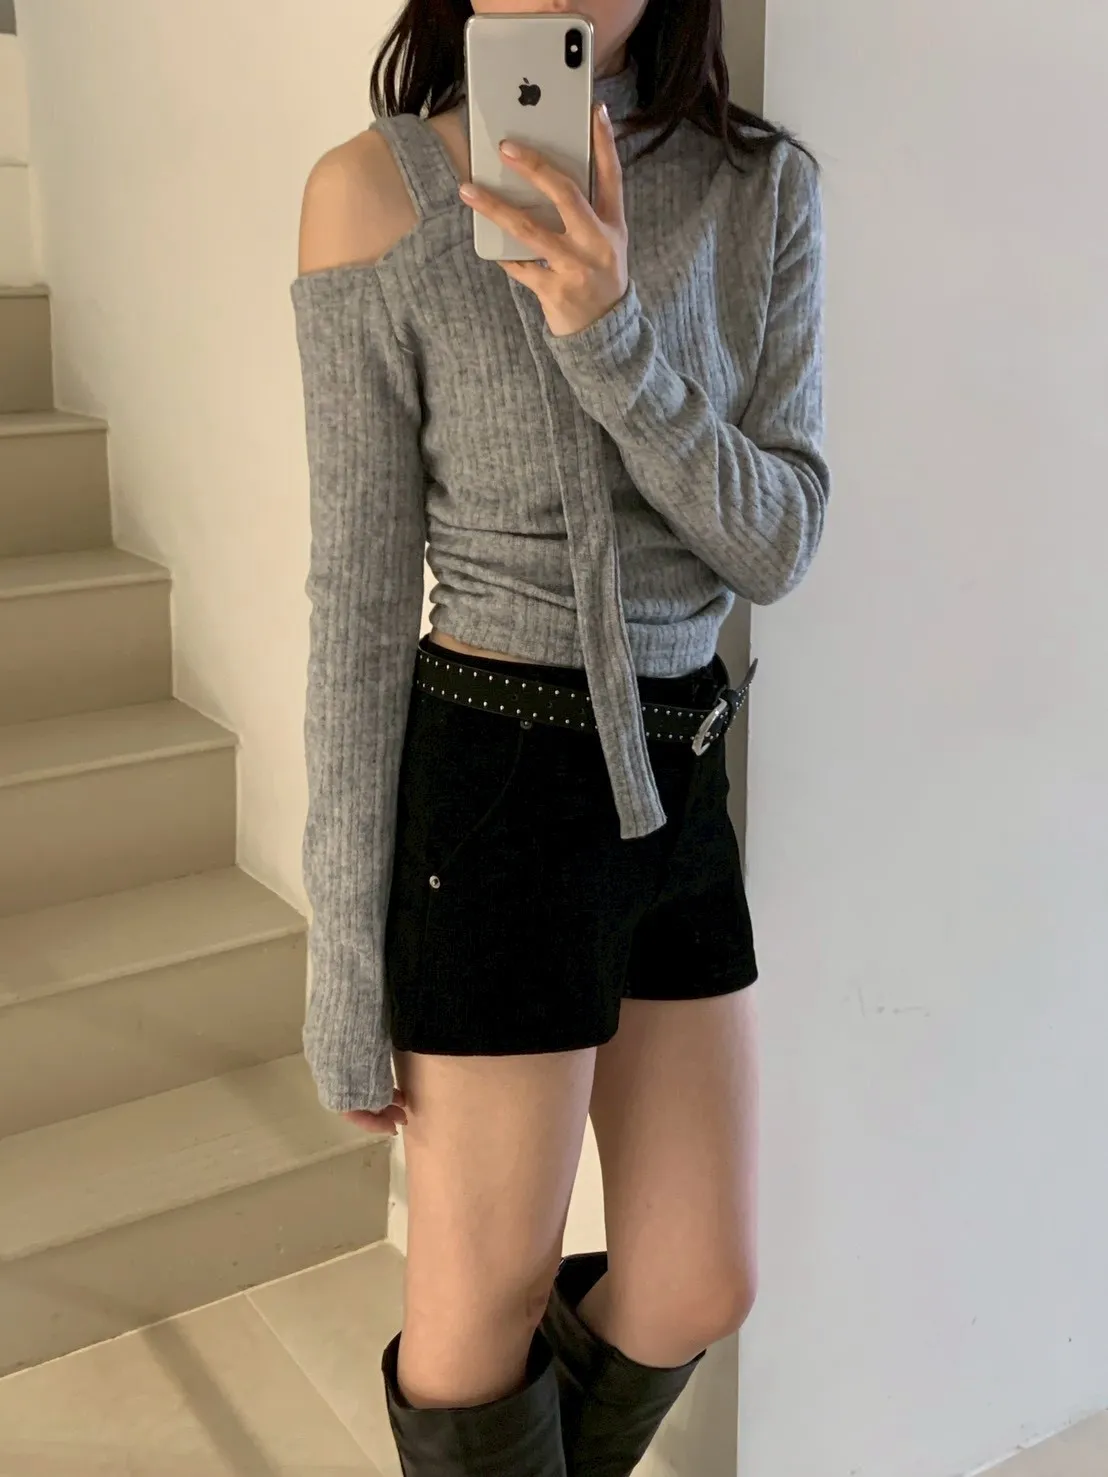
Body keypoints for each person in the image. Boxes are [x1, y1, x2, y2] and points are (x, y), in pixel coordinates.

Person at [291, 1, 828, 1472]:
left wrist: (608, 330)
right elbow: (356, 610)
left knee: (700, 1276)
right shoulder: (373, 197)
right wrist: (345, 965)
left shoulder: (760, 190)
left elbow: (778, 542)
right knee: (487, 1302)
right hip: (493, 784)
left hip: (679, 778)